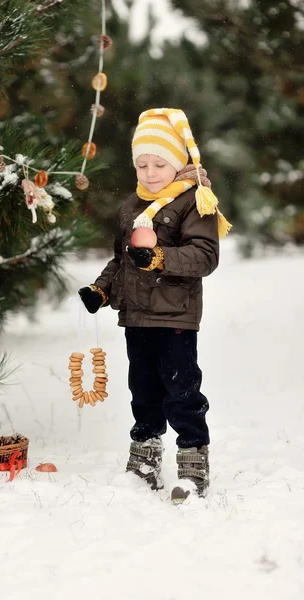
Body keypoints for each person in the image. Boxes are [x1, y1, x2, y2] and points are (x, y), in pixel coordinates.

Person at [78, 108, 231, 496]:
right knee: (143, 391)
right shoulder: (132, 206)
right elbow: (121, 260)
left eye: (159, 163)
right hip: (137, 318)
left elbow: (204, 256)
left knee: (181, 390)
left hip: (175, 315)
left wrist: (161, 256)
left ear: (177, 163)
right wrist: (102, 290)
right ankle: (144, 460)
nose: (149, 172)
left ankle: (193, 463)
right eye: (141, 164)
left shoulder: (196, 201)